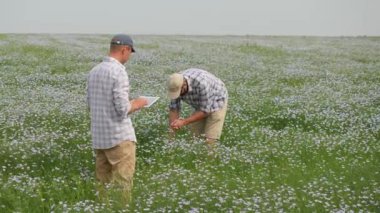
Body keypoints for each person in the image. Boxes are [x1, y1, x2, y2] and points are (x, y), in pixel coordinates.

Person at [86, 34, 147, 203]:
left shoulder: (94, 71)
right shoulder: (118, 72)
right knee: (123, 184)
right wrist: (139, 103)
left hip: (99, 138)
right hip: (119, 138)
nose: (129, 56)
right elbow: (122, 110)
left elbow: (90, 104)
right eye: (130, 52)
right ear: (125, 49)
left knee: (102, 183)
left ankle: (103, 207)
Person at [167, 68, 228, 147]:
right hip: (200, 103)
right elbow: (174, 109)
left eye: (179, 91)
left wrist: (184, 122)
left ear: (184, 85)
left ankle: (210, 157)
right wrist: (171, 136)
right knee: (194, 136)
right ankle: (195, 156)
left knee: (209, 139)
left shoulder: (202, 83)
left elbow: (205, 111)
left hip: (217, 99)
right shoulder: (174, 83)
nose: (177, 94)